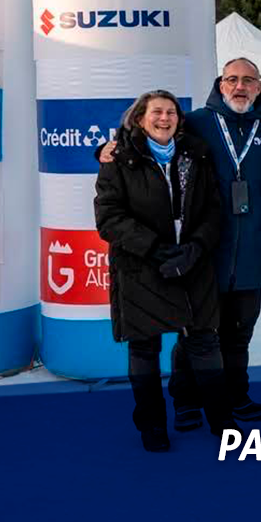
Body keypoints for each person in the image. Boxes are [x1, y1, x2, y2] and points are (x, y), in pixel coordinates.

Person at [94, 90, 231, 451]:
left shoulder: (197, 154)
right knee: (144, 348)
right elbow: (109, 219)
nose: (165, 118)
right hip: (141, 266)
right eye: (156, 112)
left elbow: (214, 211)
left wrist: (195, 248)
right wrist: (154, 249)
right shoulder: (118, 159)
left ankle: (222, 420)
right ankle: (152, 425)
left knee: (204, 340)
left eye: (171, 112)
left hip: (192, 262)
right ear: (140, 118)